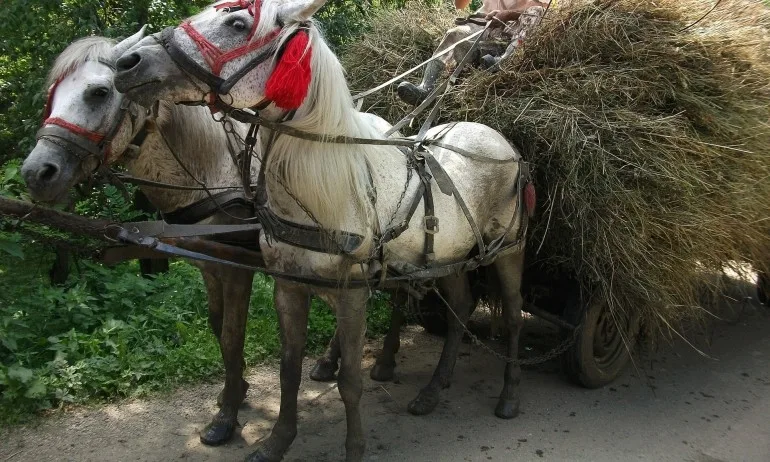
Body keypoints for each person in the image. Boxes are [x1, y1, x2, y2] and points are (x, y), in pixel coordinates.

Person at [397, 0, 548, 106]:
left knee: (536, 11)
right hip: (486, 29)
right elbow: (459, 5)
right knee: (454, 34)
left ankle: (504, 60)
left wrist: (507, 14)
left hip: (516, 29)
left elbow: (539, 7)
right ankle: (426, 88)